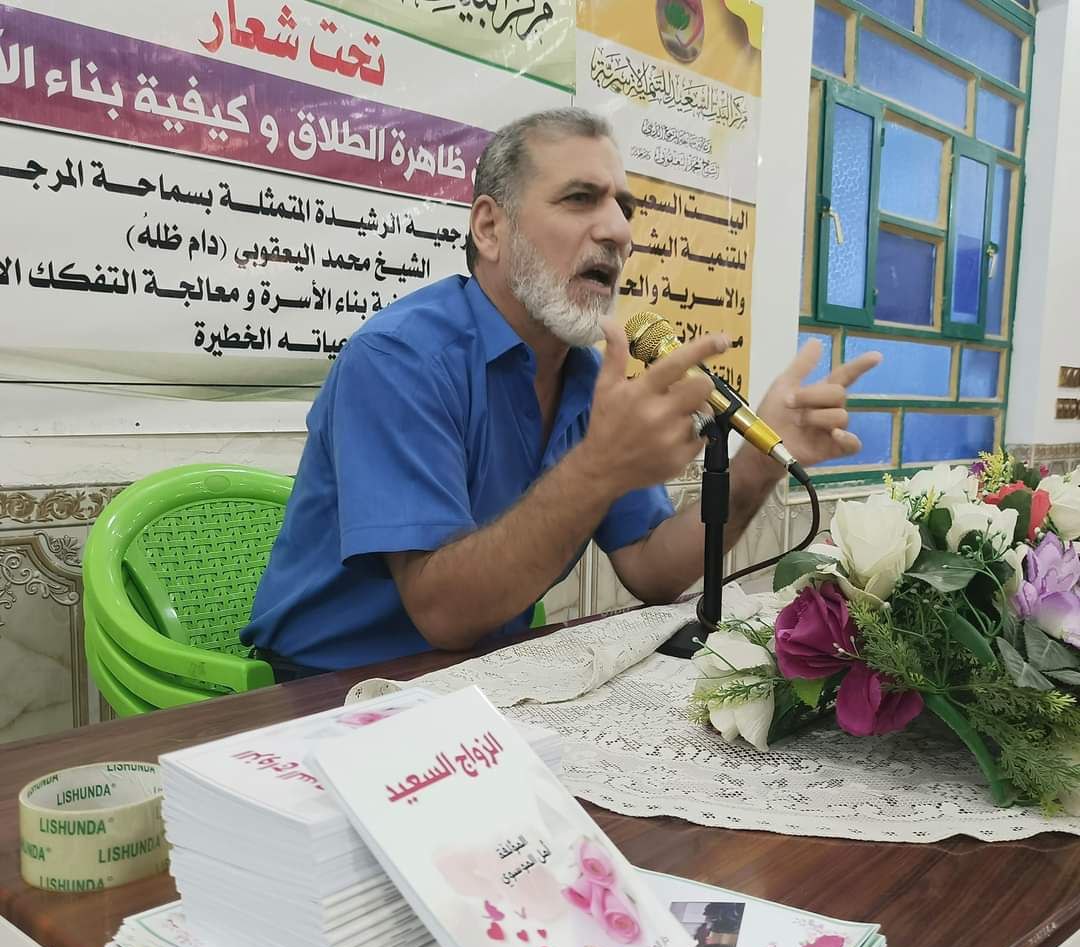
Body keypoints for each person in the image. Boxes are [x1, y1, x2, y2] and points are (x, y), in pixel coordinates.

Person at [241, 108, 879, 680]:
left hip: (482, 678)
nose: (619, 232)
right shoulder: (399, 359)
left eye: (624, 209)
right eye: (580, 199)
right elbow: (443, 613)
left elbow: (650, 566)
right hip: (323, 690)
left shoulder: (585, 374)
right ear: (490, 228)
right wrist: (598, 467)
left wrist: (758, 466)